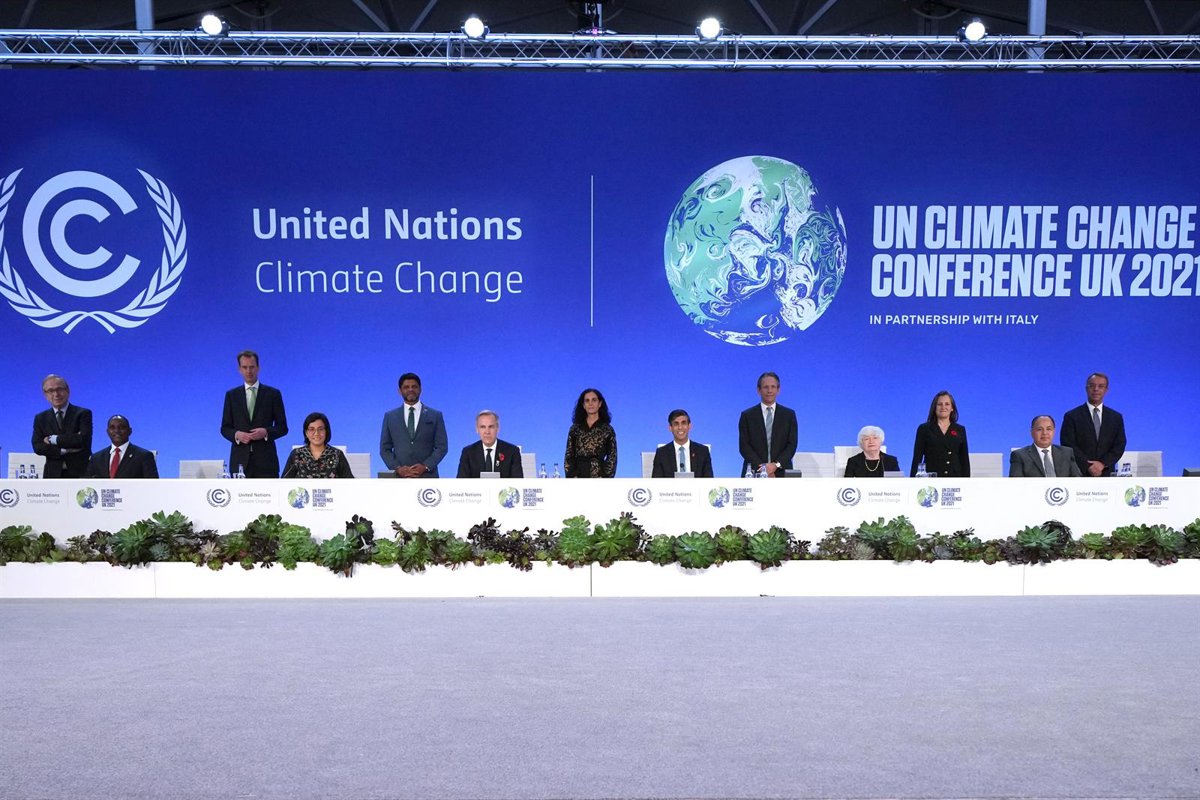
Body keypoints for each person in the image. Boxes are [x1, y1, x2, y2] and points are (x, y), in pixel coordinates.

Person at [220, 350, 288, 478]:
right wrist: (237, 435)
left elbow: (283, 427)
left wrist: (266, 432)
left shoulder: (273, 394)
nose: (248, 371)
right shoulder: (231, 396)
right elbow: (225, 428)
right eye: (245, 367)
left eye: (252, 367)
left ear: (258, 368)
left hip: (266, 463)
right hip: (239, 463)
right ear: (239, 369)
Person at [380, 372, 448, 478]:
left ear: (420, 389)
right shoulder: (390, 417)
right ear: (400, 391)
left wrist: (425, 466)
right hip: (400, 478)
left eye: (414, 387)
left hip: (428, 478)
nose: (410, 389)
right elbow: (385, 449)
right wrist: (398, 468)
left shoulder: (435, 415)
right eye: (406, 387)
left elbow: (442, 447)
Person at [1060, 372, 1127, 477]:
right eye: (1092, 386)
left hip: (1106, 473)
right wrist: (1087, 465)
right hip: (1079, 473)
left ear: (1106, 390)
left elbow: (1119, 445)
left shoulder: (1116, 417)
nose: (1096, 389)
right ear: (1086, 388)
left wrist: (1102, 464)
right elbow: (1068, 444)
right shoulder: (1072, 416)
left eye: (1101, 386)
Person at [31, 374, 92, 478]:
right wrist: (62, 451)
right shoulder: (40, 418)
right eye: (50, 391)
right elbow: (38, 446)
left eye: (59, 389)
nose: (56, 394)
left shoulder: (83, 414)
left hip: (80, 473)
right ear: (45, 395)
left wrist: (52, 439)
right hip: (52, 475)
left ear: (67, 390)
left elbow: (82, 440)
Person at [737, 372, 797, 477]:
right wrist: (764, 469)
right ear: (758, 390)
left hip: (781, 472)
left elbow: (791, 445)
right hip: (753, 472)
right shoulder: (747, 416)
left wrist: (775, 465)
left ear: (778, 390)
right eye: (766, 387)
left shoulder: (789, 415)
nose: (769, 391)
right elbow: (744, 446)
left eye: (773, 387)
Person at [910, 391, 970, 477]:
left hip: (955, 479)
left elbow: (964, 461)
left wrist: (967, 482)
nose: (943, 407)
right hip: (932, 479)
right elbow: (917, 459)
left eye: (947, 404)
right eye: (939, 404)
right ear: (934, 407)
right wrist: (912, 481)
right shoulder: (924, 429)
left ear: (952, 408)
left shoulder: (960, 430)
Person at [281, 412, 354, 479]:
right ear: (306, 433)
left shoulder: (337, 454)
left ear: (326, 431)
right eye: (311, 429)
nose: (316, 433)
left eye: (320, 429)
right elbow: (283, 483)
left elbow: (350, 483)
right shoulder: (297, 455)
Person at [563, 388, 617, 478]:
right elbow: (569, 455)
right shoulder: (575, 429)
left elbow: (612, 457)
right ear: (583, 405)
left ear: (600, 404)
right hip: (578, 477)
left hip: (599, 477)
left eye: (594, 400)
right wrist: (572, 476)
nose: (590, 403)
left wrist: (604, 477)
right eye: (587, 401)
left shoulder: (608, 429)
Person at [85, 415, 158, 479]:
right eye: (112, 428)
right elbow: (87, 485)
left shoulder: (144, 456)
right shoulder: (96, 458)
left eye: (121, 427)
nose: (117, 431)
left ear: (130, 431)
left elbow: (153, 485)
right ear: (107, 432)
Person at [457, 410, 523, 478]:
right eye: (483, 427)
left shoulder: (512, 451)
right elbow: (461, 481)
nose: (487, 432)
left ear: (498, 428)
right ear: (477, 429)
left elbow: (518, 481)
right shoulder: (468, 452)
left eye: (491, 427)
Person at [1010, 415, 1083, 478]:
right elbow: (1016, 484)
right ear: (1032, 432)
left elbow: (1078, 480)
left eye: (1049, 429)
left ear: (1054, 431)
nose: (1045, 433)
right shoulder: (1020, 456)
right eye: (1039, 429)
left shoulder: (1066, 453)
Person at [652, 409, 713, 478]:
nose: (680, 427)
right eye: (676, 424)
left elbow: (709, 480)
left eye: (683, 423)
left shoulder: (702, 451)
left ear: (689, 426)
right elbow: (656, 482)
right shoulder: (662, 453)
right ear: (670, 428)